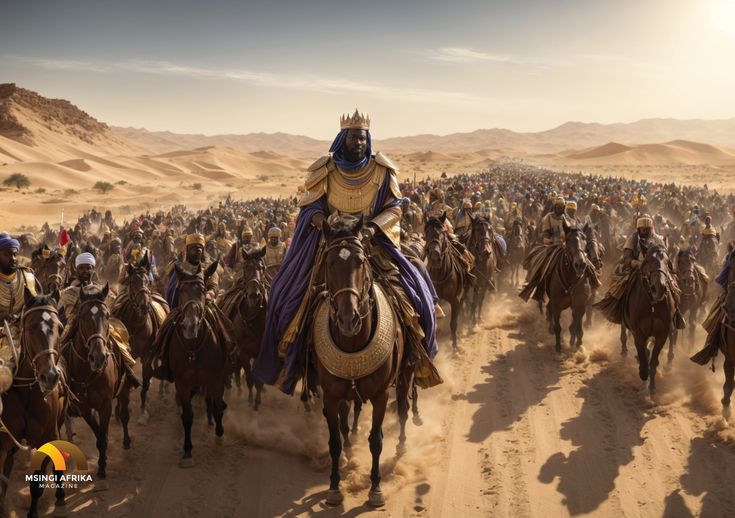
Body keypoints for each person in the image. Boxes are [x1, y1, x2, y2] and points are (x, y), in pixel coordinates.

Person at [253, 110, 442, 395]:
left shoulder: (382, 170)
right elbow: (310, 208)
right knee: (286, 293)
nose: (359, 143)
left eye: (363, 138)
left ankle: (416, 356)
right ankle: (291, 364)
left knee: (414, 288)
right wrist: (322, 222)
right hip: (331, 245)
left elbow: (395, 207)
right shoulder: (325, 169)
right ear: (343, 137)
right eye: (354, 137)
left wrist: (372, 229)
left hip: (373, 246)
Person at [56, 251, 140, 385]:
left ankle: (128, 371)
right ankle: (57, 379)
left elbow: (112, 308)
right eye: (81, 268)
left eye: (88, 268)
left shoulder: (101, 289)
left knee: (118, 342)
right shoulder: (68, 292)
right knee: (59, 346)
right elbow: (59, 311)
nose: (85, 271)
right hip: (73, 325)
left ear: (92, 269)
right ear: (76, 270)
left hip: (100, 325)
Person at [595, 216, 685, 327]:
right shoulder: (633, 239)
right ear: (638, 229)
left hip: (656, 268)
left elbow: (663, 255)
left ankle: (676, 313)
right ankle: (618, 310)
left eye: (648, 229)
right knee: (621, 286)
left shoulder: (658, 239)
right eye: (643, 229)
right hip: (637, 268)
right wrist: (637, 263)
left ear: (652, 228)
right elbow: (626, 258)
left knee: (674, 286)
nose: (646, 231)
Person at [0, 233, 40, 392]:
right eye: (7, 254)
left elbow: (35, 305)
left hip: (22, 329)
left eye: (15, 254)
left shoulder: (27, 277)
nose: (13, 258)